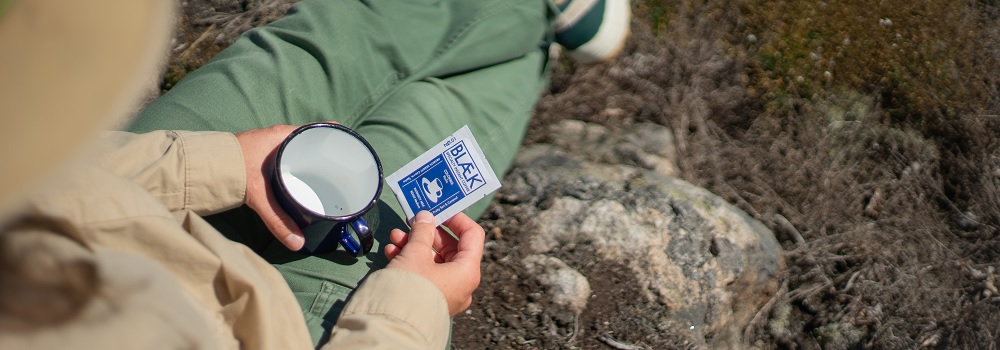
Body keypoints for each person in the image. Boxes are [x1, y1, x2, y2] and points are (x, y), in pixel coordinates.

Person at [0, 0, 629, 348]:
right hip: (284, 324)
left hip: (113, 194)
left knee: (321, 43)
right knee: (434, 140)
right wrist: (414, 309)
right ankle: (540, 22)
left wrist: (212, 163)